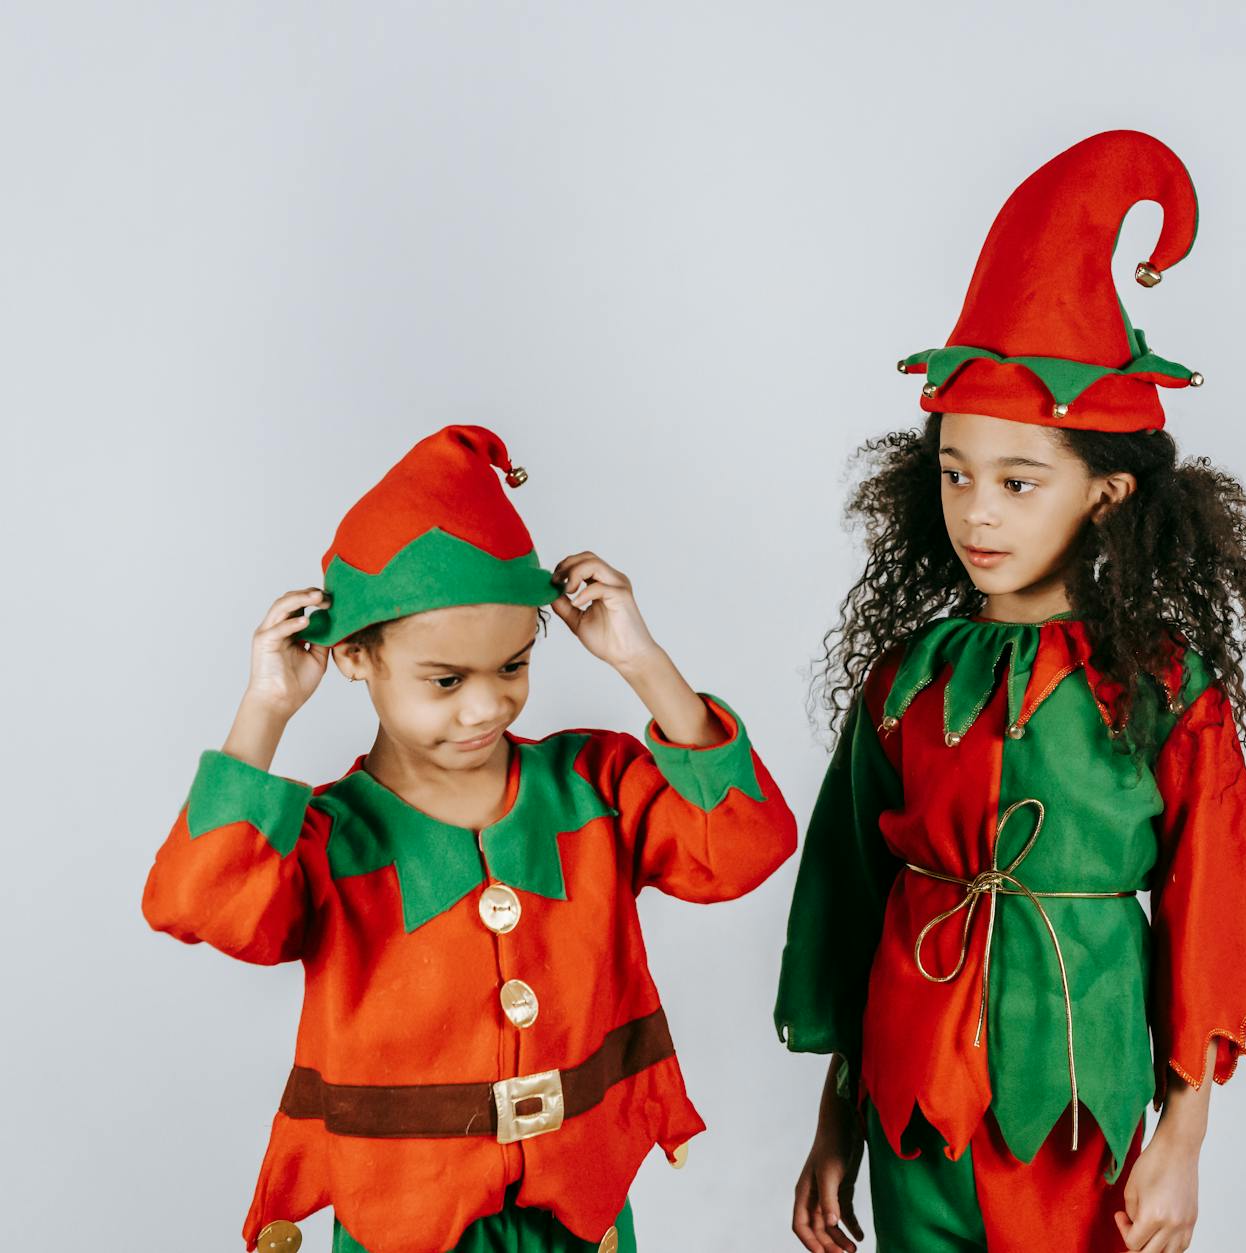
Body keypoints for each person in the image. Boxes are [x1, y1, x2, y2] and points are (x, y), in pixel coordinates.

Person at [775, 131, 1246, 1253]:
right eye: (956, 473)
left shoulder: (1162, 687)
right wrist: (833, 1122)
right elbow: (852, 901)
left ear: (1106, 494)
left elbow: (1213, 921)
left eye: (1018, 481)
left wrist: (1182, 1139)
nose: (978, 513)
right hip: (911, 1103)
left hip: (1075, 1105)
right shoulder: (907, 681)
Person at [143, 425, 797, 1253]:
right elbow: (196, 904)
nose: (486, 707)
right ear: (350, 654)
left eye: (515, 667)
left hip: (580, 1218)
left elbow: (744, 844)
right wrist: (264, 710)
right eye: (446, 681)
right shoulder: (328, 839)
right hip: (400, 1226)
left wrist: (642, 661)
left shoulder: (593, 787)